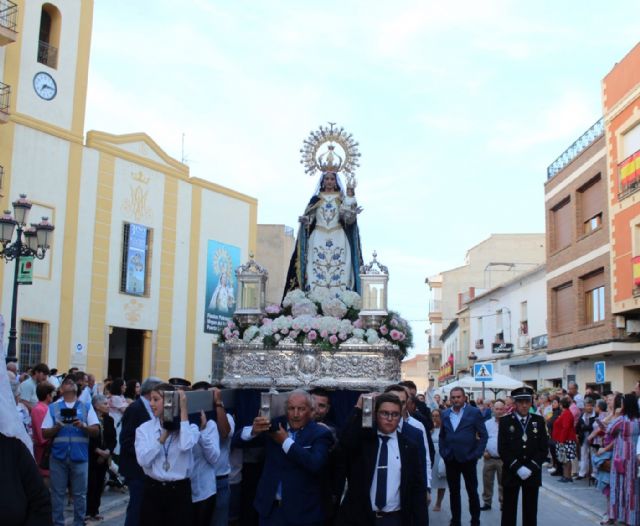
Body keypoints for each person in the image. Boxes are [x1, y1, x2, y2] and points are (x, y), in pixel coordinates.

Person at [241, 388, 333, 525]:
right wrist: (253, 431)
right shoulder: (275, 426)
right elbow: (237, 441)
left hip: (302, 514)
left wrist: (285, 441)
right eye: (291, 408)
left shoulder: (320, 433)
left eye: (301, 409)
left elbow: (315, 464)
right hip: (270, 512)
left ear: (311, 411)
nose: (295, 414)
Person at [336, 392, 428, 526]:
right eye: (384, 413)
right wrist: (358, 408)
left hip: (394, 518)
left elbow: (417, 488)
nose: (389, 418)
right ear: (375, 415)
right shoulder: (362, 442)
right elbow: (344, 443)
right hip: (361, 517)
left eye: (395, 414)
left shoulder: (409, 447)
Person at [283, 169, 363, 296]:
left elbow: (348, 221)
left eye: (332, 179)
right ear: (323, 181)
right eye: (327, 179)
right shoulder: (316, 199)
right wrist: (306, 220)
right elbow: (311, 219)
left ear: (336, 181)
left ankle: (342, 300)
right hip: (318, 238)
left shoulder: (342, 199)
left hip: (339, 238)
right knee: (315, 268)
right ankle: (316, 299)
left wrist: (351, 208)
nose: (329, 181)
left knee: (340, 268)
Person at [135, 383, 199, 526]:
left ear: (170, 402)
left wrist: (183, 411)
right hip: (153, 490)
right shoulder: (144, 429)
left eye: (156, 399)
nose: (151, 404)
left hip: (179, 492)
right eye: (150, 399)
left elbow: (186, 445)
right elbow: (144, 461)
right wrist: (164, 435)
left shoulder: (190, 428)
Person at [41, 376, 100, 526]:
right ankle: (57, 523)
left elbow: (96, 431)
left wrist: (83, 426)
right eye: (65, 382)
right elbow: (44, 433)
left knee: (80, 495)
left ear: (76, 388)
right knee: (57, 494)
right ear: (61, 389)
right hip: (58, 457)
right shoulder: (53, 407)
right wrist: (57, 427)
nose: (69, 383)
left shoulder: (86, 406)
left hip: (80, 457)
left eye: (72, 382)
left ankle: (79, 523)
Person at [498, 387, 548, 526]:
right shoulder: (506, 421)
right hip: (512, 471)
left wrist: (531, 467)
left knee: (530, 511)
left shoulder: (538, 421)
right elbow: (503, 449)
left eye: (527, 401)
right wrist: (518, 467)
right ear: (514, 403)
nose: (524, 405)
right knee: (509, 510)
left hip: (532, 472)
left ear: (531, 402)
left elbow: (543, 448)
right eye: (521, 402)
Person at [439, 386, 488, 526]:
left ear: (464, 398)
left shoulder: (474, 412)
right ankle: (455, 521)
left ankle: (475, 520)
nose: (456, 400)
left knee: (472, 492)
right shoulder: (445, 413)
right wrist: (443, 451)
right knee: (454, 493)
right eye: (453, 397)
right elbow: (443, 435)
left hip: (468, 459)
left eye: (458, 397)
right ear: (450, 399)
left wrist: (477, 454)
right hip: (451, 459)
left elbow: (483, 435)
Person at [119, 376, 162, 526]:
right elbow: (126, 439)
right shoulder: (135, 408)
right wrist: (143, 452)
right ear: (151, 392)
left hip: (147, 468)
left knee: (145, 507)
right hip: (136, 469)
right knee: (136, 507)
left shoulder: (150, 408)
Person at [598, 393, 640, 526]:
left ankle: (613, 517)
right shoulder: (638, 421)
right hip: (633, 460)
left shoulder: (621, 419)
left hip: (620, 458)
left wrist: (614, 414)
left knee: (616, 488)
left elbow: (608, 430)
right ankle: (631, 519)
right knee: (632, 490)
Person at [189, 383, 221, 526]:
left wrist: (201, 433)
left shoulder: (211, 425)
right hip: (185, 491)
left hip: (204, 491)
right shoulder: (184, 425)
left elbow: (214, 457)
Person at [86, 394, 116, 522]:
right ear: (97, 406)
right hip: (92, 456)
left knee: (99, 484)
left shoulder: (109, 420)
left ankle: (95, 510)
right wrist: (97, 451)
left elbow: (113, 439)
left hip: (104, 456)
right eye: (105, 404)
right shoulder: (90, 419)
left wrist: (107, 452)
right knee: (91, 484)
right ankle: (88, 511)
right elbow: (88, 438)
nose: (108, 406)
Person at [481, 399, 506, 512]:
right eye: (497, 409)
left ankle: (503, 503)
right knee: (487, 482)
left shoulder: (508, 423)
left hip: (503, 459)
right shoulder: (487, 423)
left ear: (504, 410)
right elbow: (482, 439)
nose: (499, 411)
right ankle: (487, 502)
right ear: (493, 409)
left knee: (503, 483)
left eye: (501, 409)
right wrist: (484, 451)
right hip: (489, 458)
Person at [32, 381, 55, 479]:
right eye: (52, 394)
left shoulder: (46, 408)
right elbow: (42, 436)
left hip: (48, 449)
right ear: (48, 395)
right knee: (45, 477)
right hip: (44, 451)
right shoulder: (39, 409)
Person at [551, 397, 577, 483]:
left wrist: (561, 441)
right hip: (564, 439)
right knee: (564, 458)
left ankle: (567, 476)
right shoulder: (566, 413)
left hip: (566, 440)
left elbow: (565, 428)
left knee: (566, 459)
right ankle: (566, 476)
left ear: (561, 405)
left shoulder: (566, 414)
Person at [430, 408, 447, 512]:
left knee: (441, 480)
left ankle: (438, 503)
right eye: (433, 415)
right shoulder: (429, 428)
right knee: (428, 480)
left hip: (441, 456)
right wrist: (430, 430)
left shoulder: (445, 428)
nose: (435, 418)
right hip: (431, 456)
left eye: (437, 415)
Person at [576, 397, 596, 480]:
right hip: (583, 438)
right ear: (584, 406)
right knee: (583, 455)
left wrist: (585, 427)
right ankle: (582, 473)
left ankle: (594, 474)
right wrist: (577, 433)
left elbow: (593, 427)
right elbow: (578, 427)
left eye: (590, 406)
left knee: (593, 455)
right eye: (587, 406)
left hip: (593, 438)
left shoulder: (595, 415)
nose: (589, 407)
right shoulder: (582, 416)